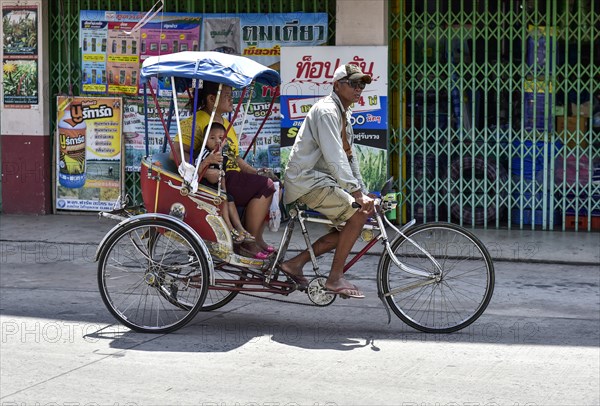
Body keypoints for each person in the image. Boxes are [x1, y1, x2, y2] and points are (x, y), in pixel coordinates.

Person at [281, 64, 375, 298]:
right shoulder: (326, 112)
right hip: (306, 180)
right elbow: (335, 156)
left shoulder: (343, 114)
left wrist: (362, 191)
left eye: (361, 84)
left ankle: (294, 264)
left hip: (320, 180)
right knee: (357, 216)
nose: (358, 89)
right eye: (353, 83)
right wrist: (355, 194)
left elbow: (349, 157)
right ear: (337, 85)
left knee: (347, 229)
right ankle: (335, 278)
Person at [170, 81, 276, 259]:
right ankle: (249, 242)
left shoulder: (226, 124)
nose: (231, 100)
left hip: (232, 173)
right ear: (212, 98)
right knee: (266, 186)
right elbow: (177, 153)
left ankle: (255, 238)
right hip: (216, 178)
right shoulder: (197, 121)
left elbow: (234, 157)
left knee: (271, 182)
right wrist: (198, 170)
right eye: (227, 95)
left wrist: (254, 171)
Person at [195, 122, 255, 244]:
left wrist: (224, 191)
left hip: (217, 188)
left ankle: (240, 228)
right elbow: (195, 171)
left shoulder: (223, 156)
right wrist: (207, 161)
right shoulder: (203, 153)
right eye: (212, 138)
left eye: (220, 138)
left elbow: (222, 176)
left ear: (225, 141)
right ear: (205, 140)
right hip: (203, 188)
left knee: (229, 198)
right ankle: (230, 228)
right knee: (223, 199)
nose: (217, 141)